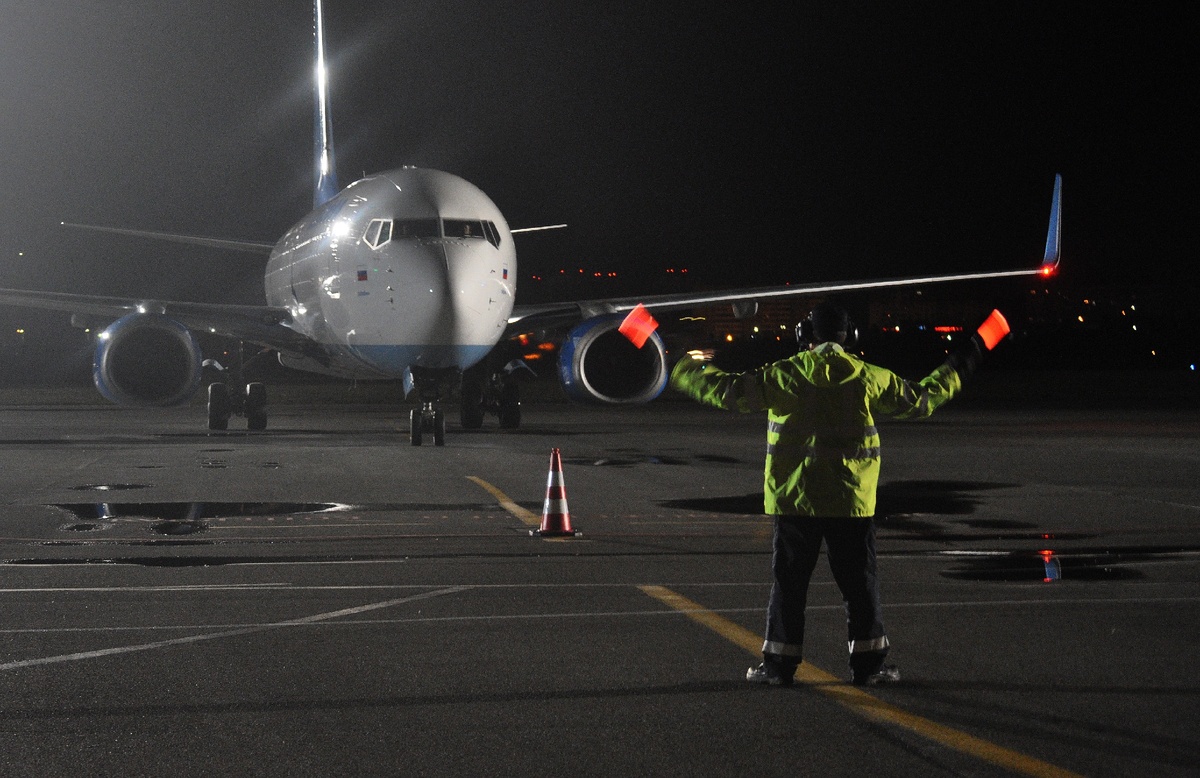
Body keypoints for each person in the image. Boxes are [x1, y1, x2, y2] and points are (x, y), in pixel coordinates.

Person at [669, 301, 998, 687]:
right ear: (850, 337)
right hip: (851, 503)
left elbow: (724, 390)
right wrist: (973, 351)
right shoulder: (868, 378)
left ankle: (778, 667)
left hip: (796, 502)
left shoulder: (785, 375)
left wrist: (680, 364)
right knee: (860, 588)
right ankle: (869, 667)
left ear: (804, 336)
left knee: (789, 588)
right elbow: (924, 398)